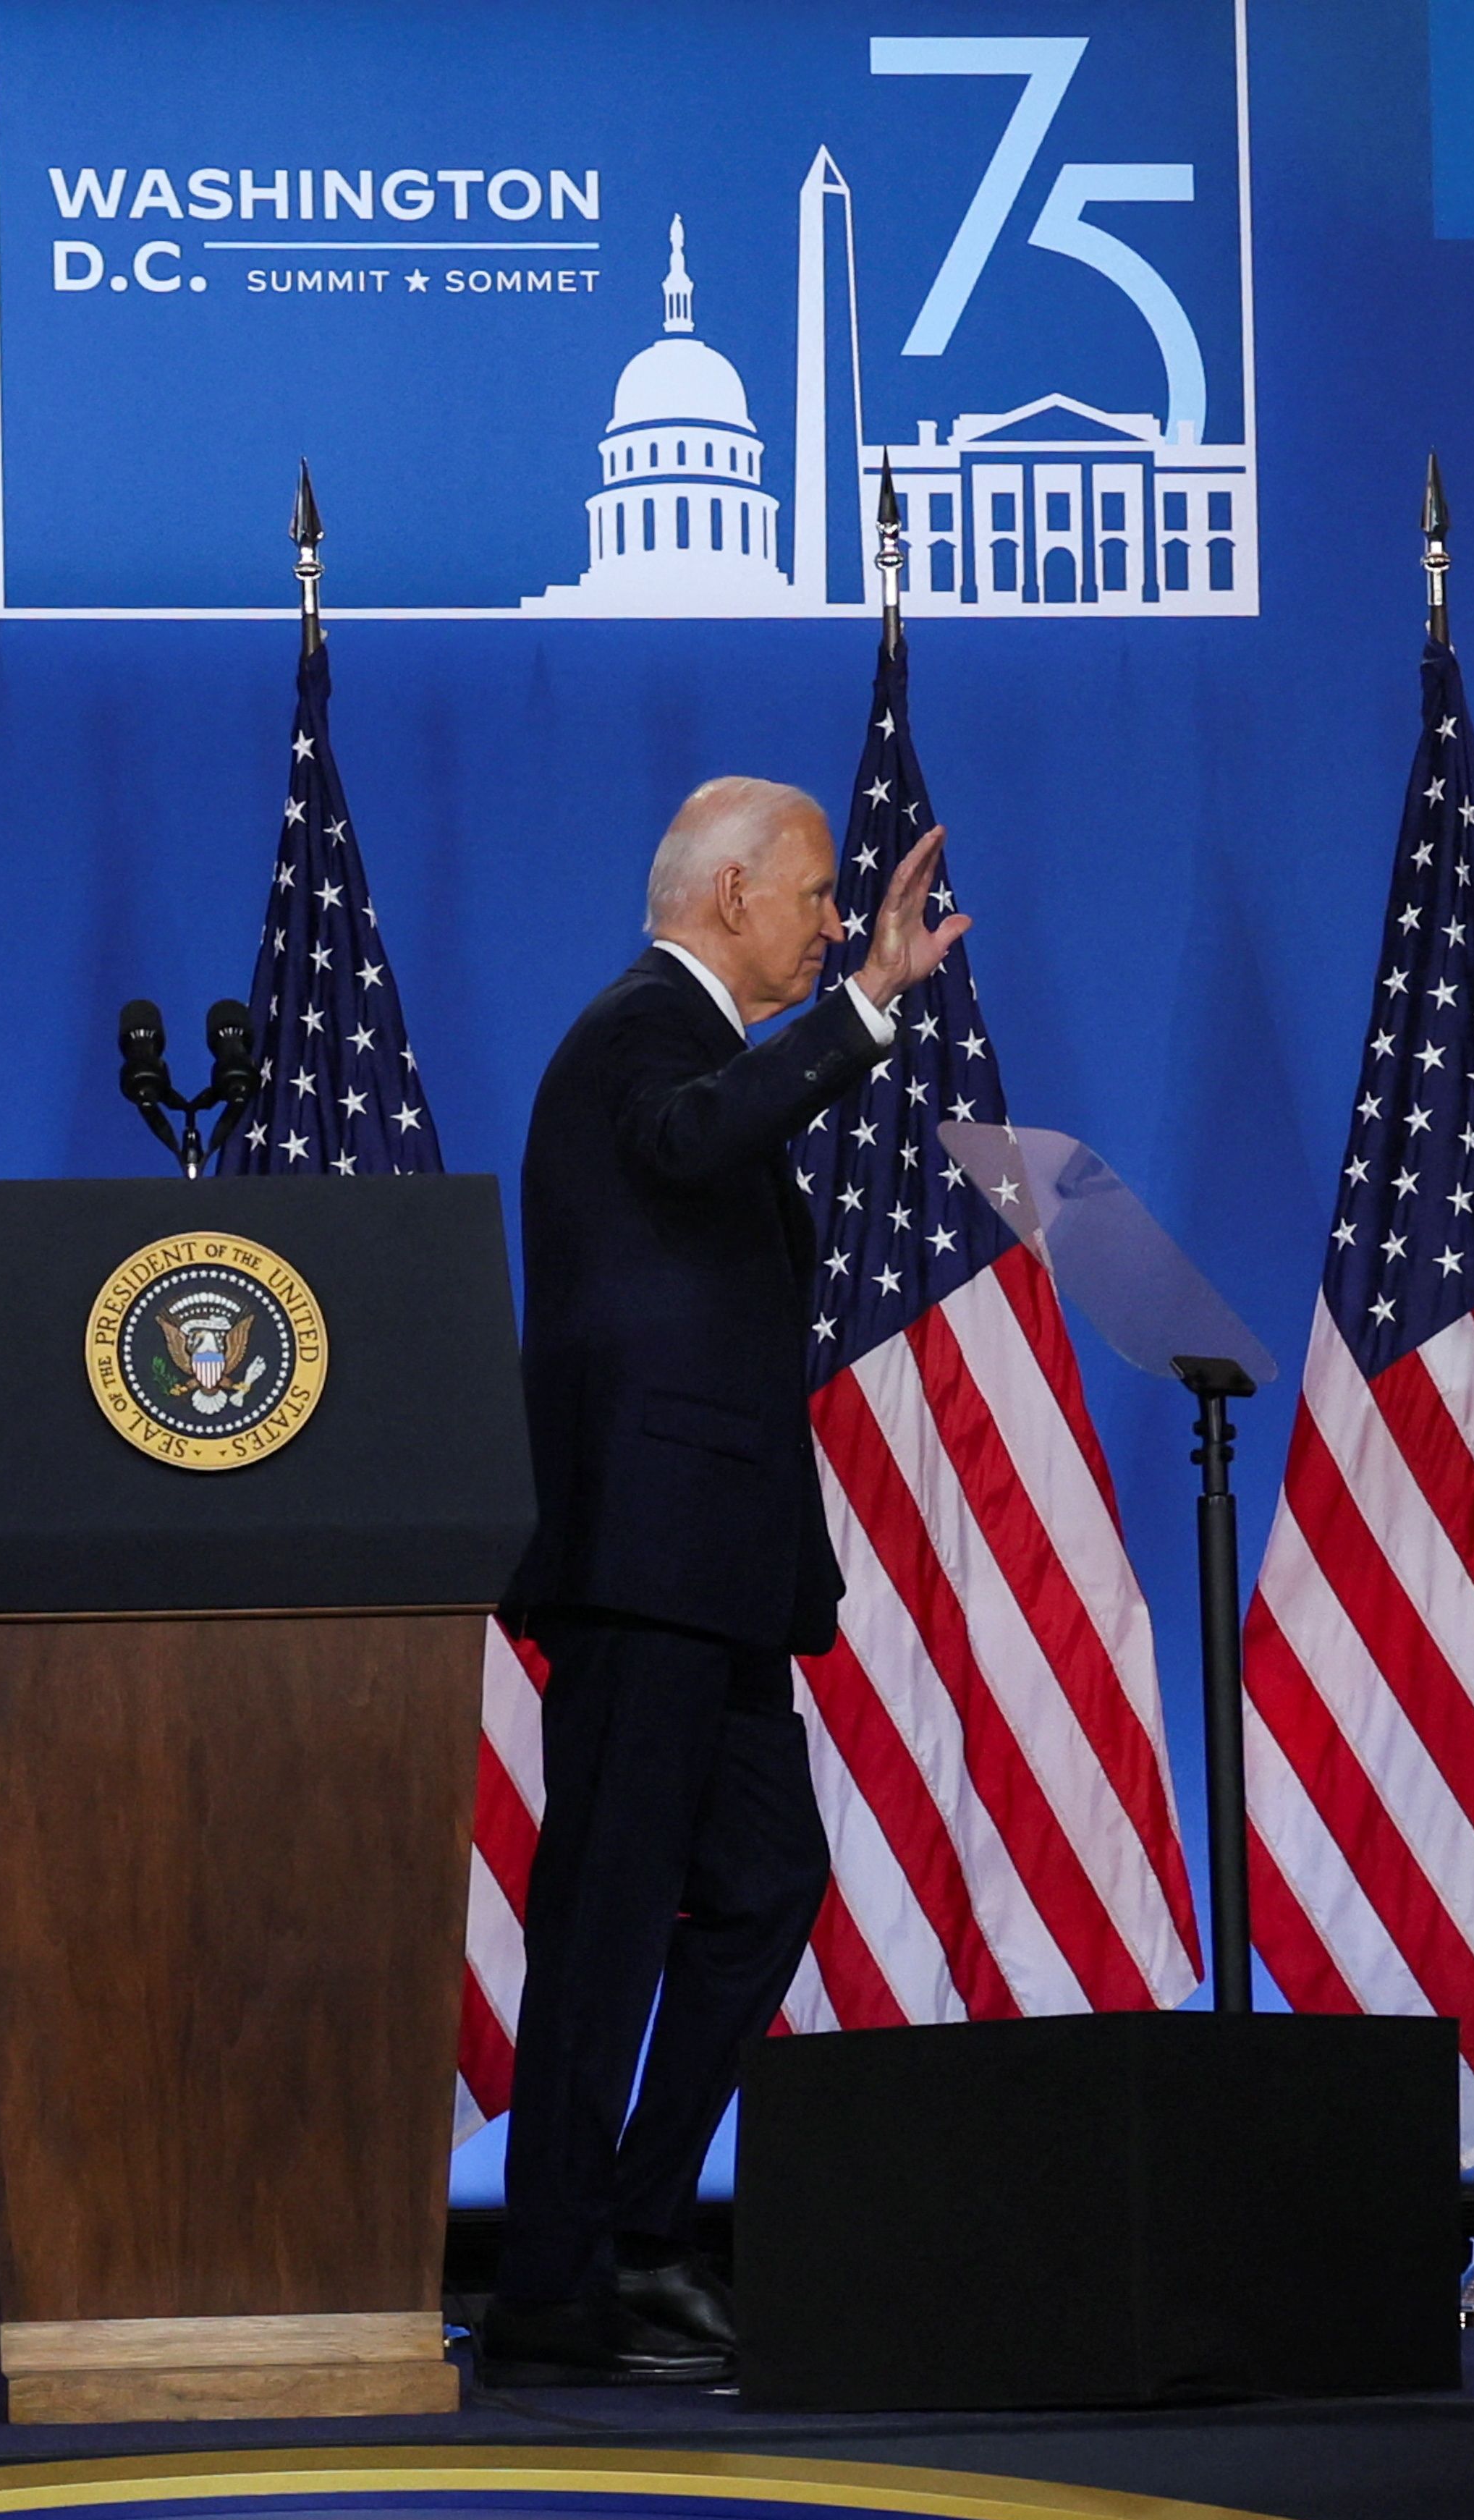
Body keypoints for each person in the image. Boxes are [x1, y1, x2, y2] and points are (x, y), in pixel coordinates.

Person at [483, 775, 965, 2388]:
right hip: (641, 1560)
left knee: (763, 1887)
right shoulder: (638, 1032)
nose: (835, 923)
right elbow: (692, 1143)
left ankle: (633, 2229)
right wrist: (865, 1014)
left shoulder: (680, 1040)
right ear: (735, 887)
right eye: (819, 894)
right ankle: (550, 2283)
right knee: (606, 1923)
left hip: (716, 1572)